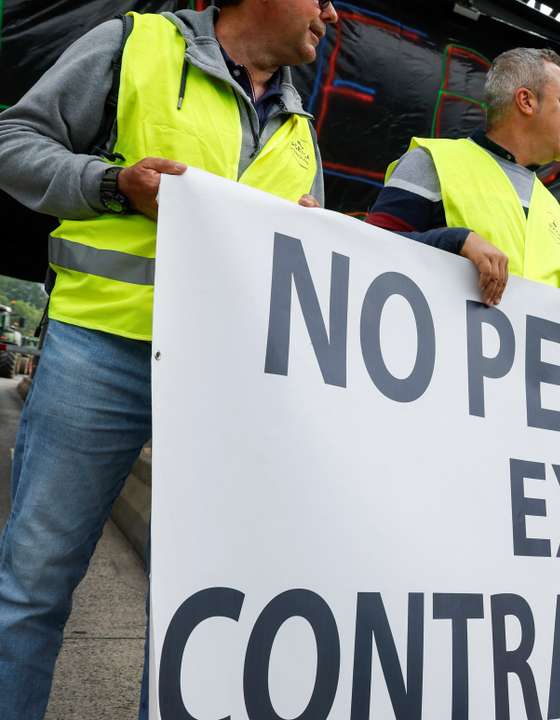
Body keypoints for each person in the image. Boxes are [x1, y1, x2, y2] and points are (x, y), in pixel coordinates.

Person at [0, 1, 337, 716]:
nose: (332, 14)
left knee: (203, 602)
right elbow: (12, 140)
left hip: (229, 386)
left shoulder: (301, 127)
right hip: (102, 351)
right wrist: (112, 185)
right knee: (33, 582)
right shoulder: (134, 44)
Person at [366, 47, 560, 335]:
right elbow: (363, 248)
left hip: (516, 377)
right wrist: (455, 240)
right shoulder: (434, 161)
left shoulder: (550, 206)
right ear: (526, 101)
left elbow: (541, 288)